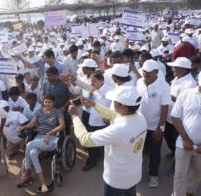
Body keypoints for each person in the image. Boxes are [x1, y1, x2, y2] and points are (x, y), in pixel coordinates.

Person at [69, 86, 147, 196]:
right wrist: (94, 104)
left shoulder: (119, 129)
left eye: (115, 101)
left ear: (123, 107)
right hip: (133, 175)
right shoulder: (139, 117)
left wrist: (74, 116)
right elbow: (115, 115)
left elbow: (85, 139)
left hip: (116, 181)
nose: (113, 103)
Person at [17, 94, 65, 193]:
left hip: (51, 139)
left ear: (53, 103)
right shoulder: (39, 111)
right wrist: (23, 127)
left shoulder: (57, 111)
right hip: (39, 138)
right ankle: (43, 183)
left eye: (50, 102)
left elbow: (62, 126)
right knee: (32, 153)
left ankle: (26, 173)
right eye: (46, 101)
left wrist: (49, 133)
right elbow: (32, 124)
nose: (47, 104)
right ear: (43, 102)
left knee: (29, 145)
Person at [137, 59, 171, 187]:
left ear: (156, 72)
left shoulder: (164, 86)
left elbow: (164, 109)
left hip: (154, 127)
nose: (146, 76)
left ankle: (154, 175)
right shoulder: (139, 82)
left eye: (149, 73)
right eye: (144, 73)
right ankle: (136, 173)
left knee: (155, 153)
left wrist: (160, 128)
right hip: (139, 125)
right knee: (137, 150)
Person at [171, 74, 201, 196]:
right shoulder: (186, 94)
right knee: (180, 175)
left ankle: (189, 192)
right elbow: (175, 116)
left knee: (198, 173)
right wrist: (185, 139)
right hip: (183, 144)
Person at [82, 70, 113, 171]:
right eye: (91, 80)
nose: (92, 83)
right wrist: (90, 94)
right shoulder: (91, 90)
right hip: (92, 121)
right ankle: (92, 161)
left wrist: (110, 118)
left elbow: (115, 106)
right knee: (91, 143)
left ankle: (105, 159)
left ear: (101, 80)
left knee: (105, 144)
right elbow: (87, 107)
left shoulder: (110, 90)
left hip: (105, 123)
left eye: (94, 81)